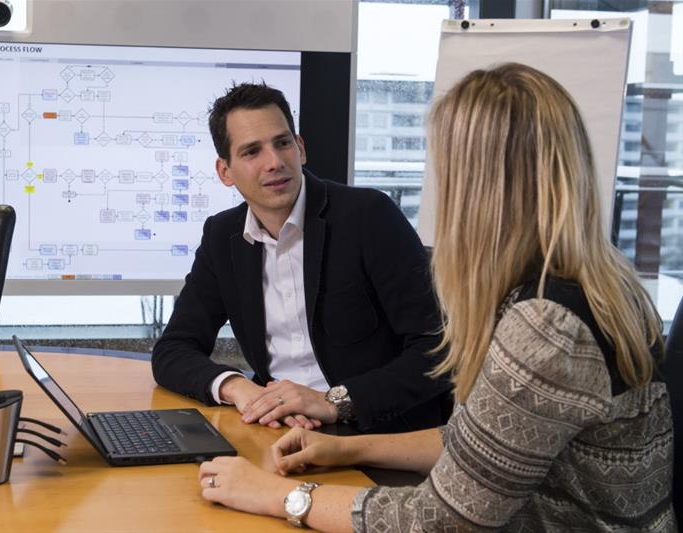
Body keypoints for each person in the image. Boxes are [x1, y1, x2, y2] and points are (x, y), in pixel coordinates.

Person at [196, 64, 677, 531]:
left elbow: (442, 518)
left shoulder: (547, 326)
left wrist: (270, 495)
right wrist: (346, 450)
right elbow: (481, 443)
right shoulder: (597, 282)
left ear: (479, 183)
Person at [151, 83, 449, 433]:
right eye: (251, 152)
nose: (274, 162)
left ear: (301, 147)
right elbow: (173, 349)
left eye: (282, 143)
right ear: (225, 171)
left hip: (375, 431)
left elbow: (437, 351)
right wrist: (239, 388)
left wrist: (335, 402)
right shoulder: (223, 236)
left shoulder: (368, 215)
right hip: (278, 428)